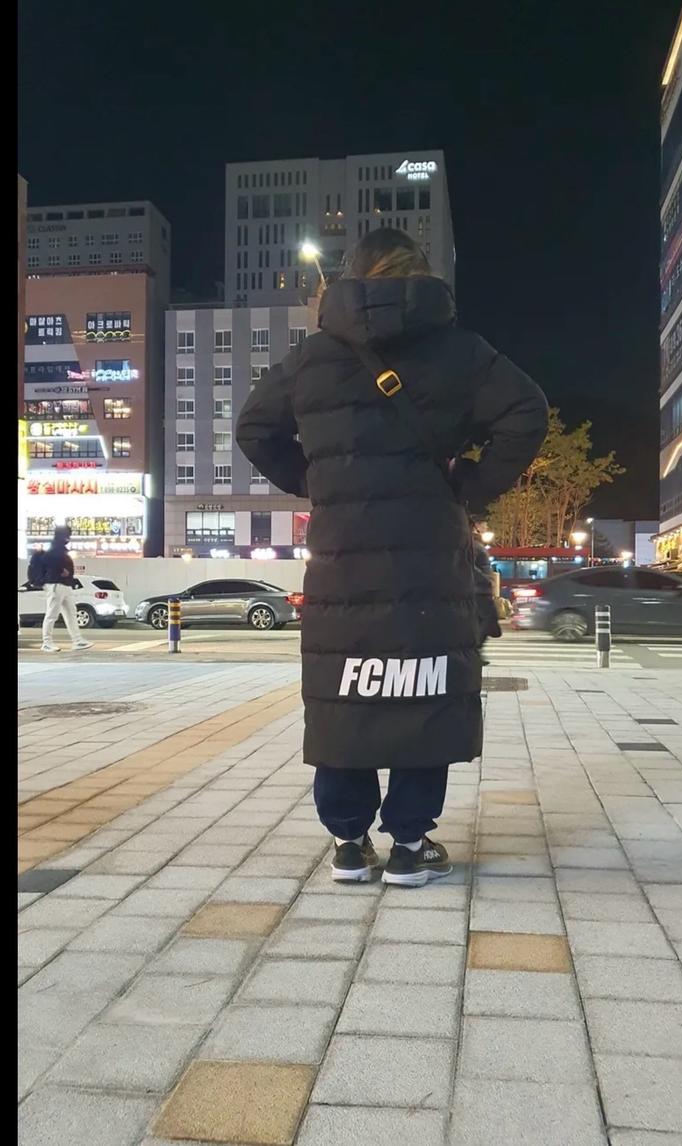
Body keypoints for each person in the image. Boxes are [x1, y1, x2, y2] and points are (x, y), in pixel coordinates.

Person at [236, 228, 548, 887]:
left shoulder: (313, 358)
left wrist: (316, 479)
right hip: (428, 562)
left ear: (349, 277)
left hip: (341, 560)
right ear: (422, 278)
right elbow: (527, 410)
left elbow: (253, 428)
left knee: (343, 692)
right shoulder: (460, 351)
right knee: (423, 688)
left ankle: (349, 843)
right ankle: (409, 843)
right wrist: (470, 483)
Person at [36, 526, 94, 653]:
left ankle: (77, 640)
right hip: (56, 584)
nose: (69, 537)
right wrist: (60, 571)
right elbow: (48, 562)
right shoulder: (54, 549)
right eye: (68, 535)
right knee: (52, 614)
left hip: (65, 584)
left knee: (71, 613)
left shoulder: (59, 548)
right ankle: (47, 642)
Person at [469, 516, 502, 668]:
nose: (486, 528)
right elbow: (469, 566)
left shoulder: (474, 543)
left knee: (482, 621)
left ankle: (475, 652)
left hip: (480, 589)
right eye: (484, 525)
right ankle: (474, 650)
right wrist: (485, 580)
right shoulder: (473, 544)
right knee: (489, 619)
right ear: (475, 526)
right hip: (479, 590)